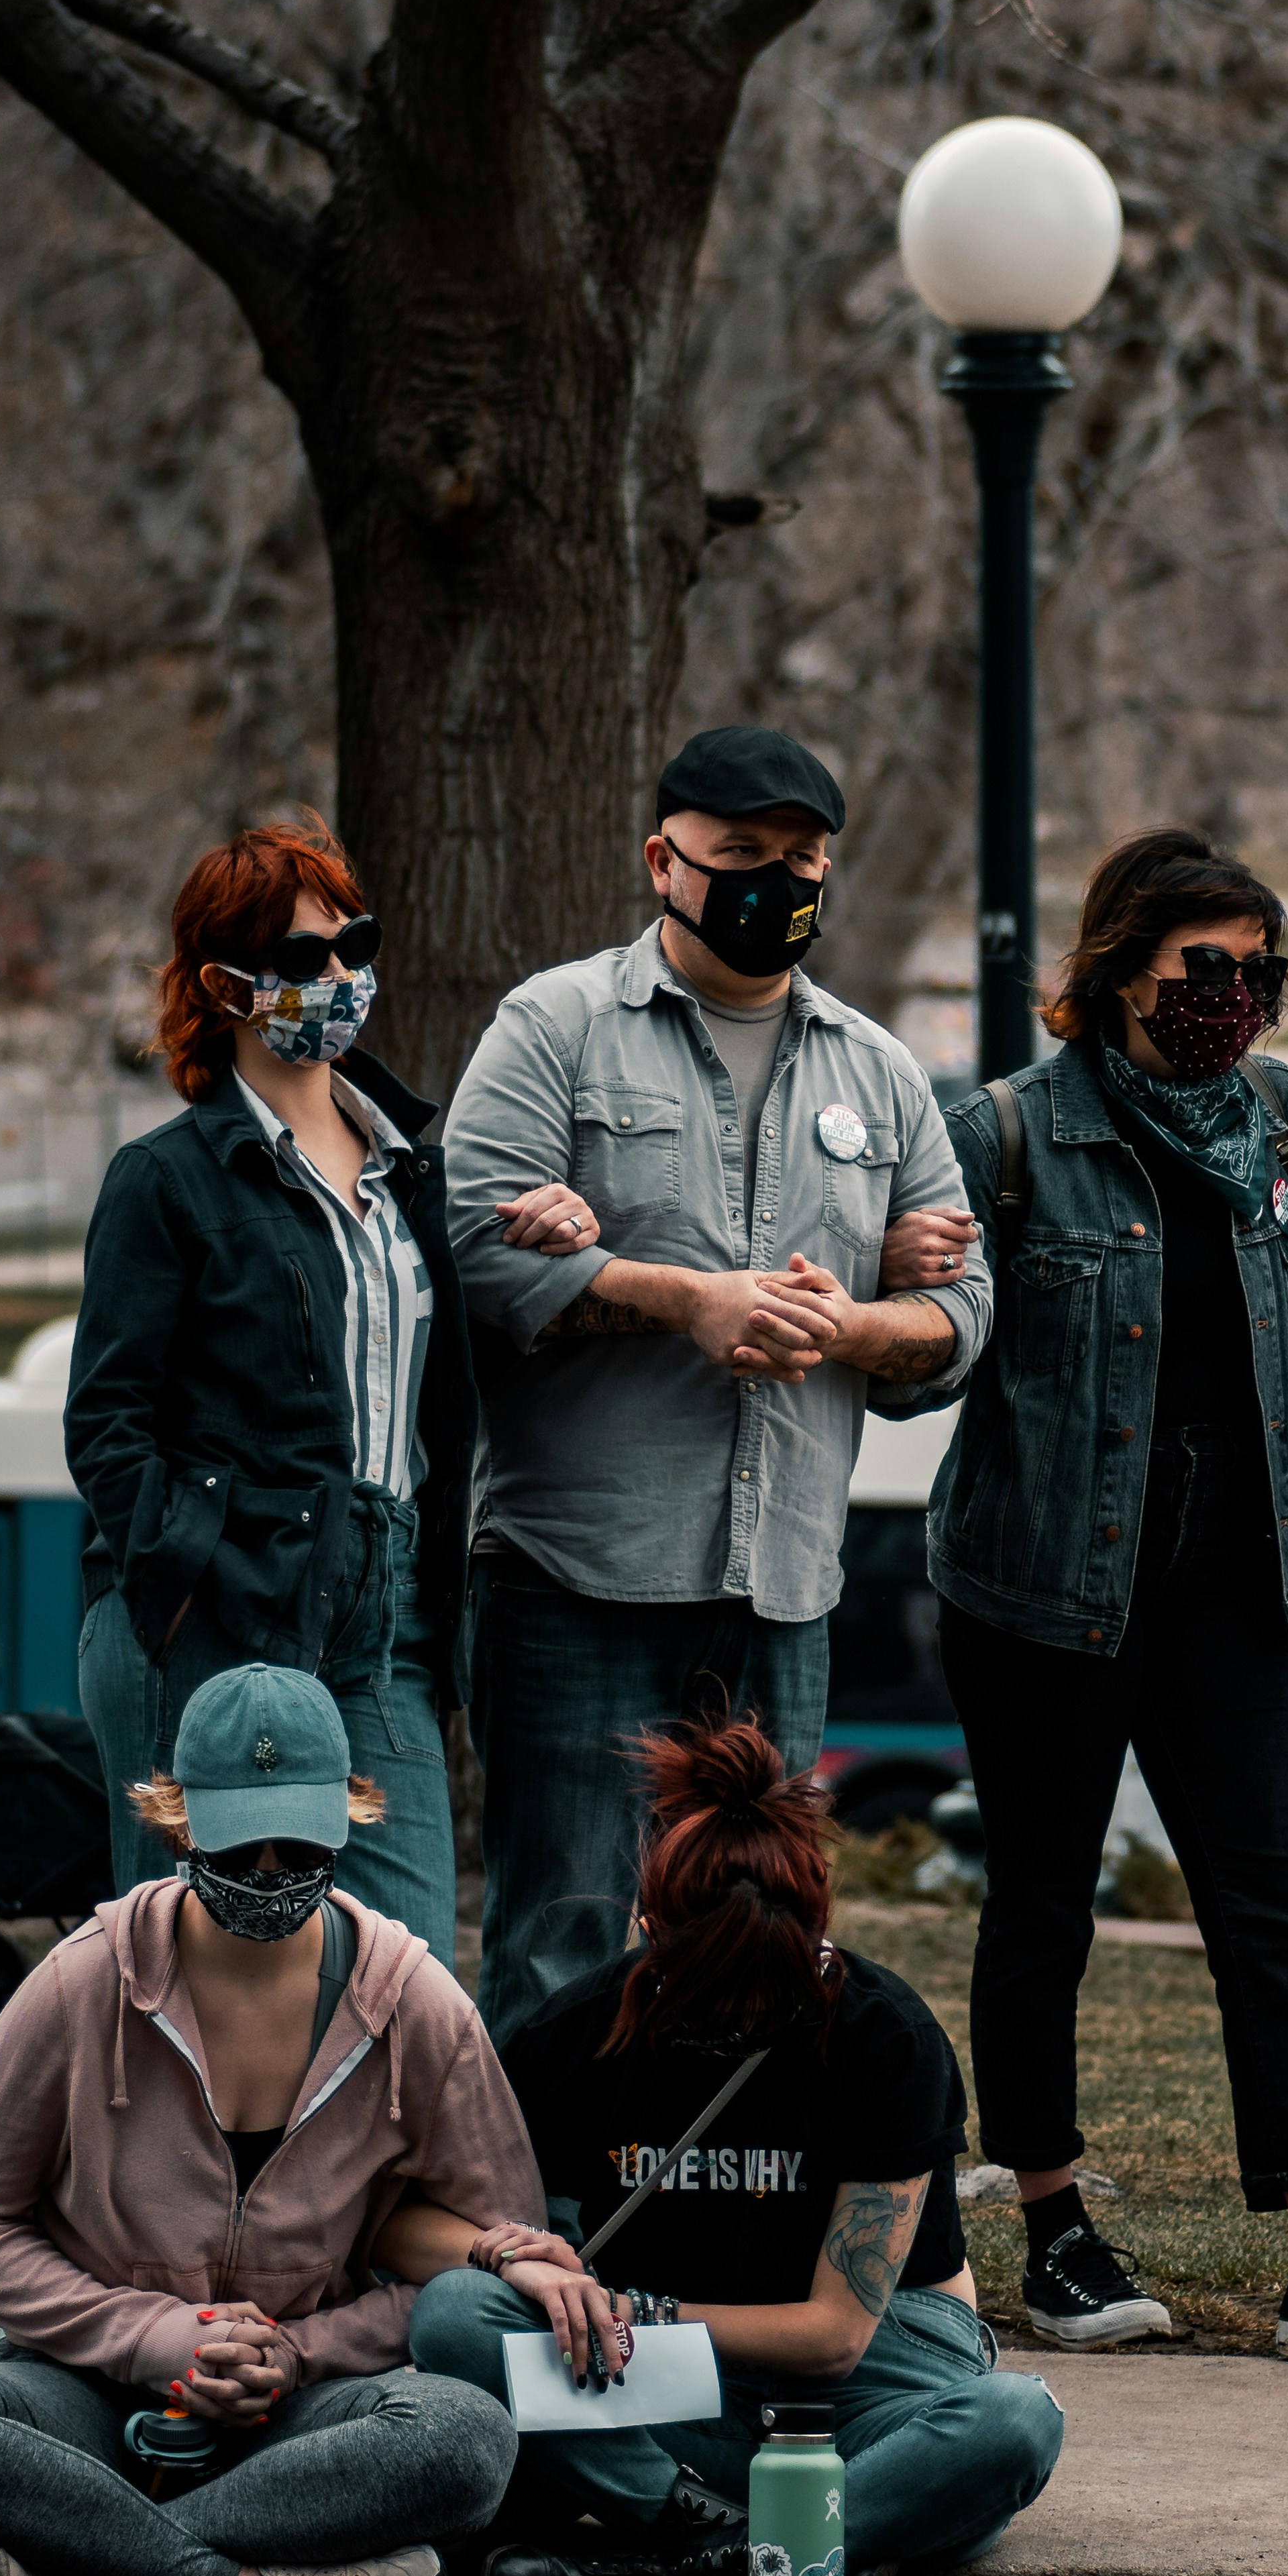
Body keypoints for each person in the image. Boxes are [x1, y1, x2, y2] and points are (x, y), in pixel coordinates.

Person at [873, 827, 1288, 2370]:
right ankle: (1057, 2230)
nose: (1234, 1000)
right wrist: (902, 1281)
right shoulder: (1011, 1134)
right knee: (1041, 1908)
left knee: (1268, 1912)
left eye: (1258, 972)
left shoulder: (1283, 1121)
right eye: (1203, 970)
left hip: (1231, 1580)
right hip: (1041, 1583)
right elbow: (921, 1372)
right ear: (1116, 973)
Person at [441, 724, 991, 2050]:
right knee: (559, 1934)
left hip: (779, 1595)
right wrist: (683, 1299)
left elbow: (965, 1317)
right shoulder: (557, 1025)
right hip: (573, 1574)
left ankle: (717, 2216)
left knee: (758, 1943)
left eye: (803, 860)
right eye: (743, 857)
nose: (779, 884)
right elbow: (463, 1245)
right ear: (663, 861)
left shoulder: (877, 1067)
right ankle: (544, 2231)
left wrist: (852, 1321)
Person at [0, 1664, 543, 2576]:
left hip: (301, 2416)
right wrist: (153, 2335)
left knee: (467, 2440)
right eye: (235, 1837)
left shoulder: (416, 2003)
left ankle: (85, 2558)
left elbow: (503, 2251)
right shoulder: (83, 1980)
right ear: (178, 1823)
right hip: (80, 2397)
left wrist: (301, 2353)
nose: (266, 1866)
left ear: (351, 1814)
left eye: (297, 1837)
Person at [402, 1713, 1063, 2576]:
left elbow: (833, 2335)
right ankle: (769, 2551)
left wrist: (638, 2311)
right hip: (670, 2384)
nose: (732, 2018)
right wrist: (513, 2258)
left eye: (761, 1992)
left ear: (814, 1941)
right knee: (453, 2314)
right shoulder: (580, 2030)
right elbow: (399, 2224)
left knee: (1016, 2421)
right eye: (699, 1986)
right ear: (646, 1933)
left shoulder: (885, 2036)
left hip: (872, 2382)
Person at [65, 815, 476, 1962]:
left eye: (354, 944)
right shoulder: (165, 1179)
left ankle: (370, 2153)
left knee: (407, 1962)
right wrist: (196, 1563)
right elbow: (106, 1421)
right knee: (187, 1954)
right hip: (207, 1602)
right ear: (225, 984)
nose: (341, 976)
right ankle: (175, 2150)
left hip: (382, 1600)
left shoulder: (410, 1169)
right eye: (303, 959)